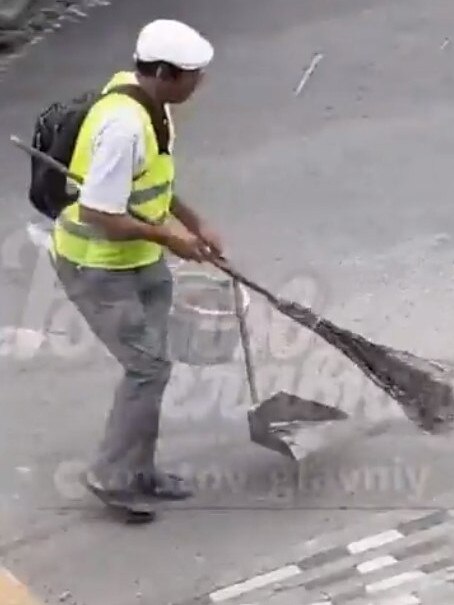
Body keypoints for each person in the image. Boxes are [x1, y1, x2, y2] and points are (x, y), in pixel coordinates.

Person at [51, 19, 223, 521]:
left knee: (153, 365)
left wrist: (195, 223)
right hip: (98, 266)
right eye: (193, 75)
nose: (199, 84)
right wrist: (173, 237)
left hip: (140, 259)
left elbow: (152, 184)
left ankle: (139, 470)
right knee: (147, 368)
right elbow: (100, 215)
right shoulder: (124, 125)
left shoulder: (153, 106)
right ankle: (113, 475)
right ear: (166, 72)